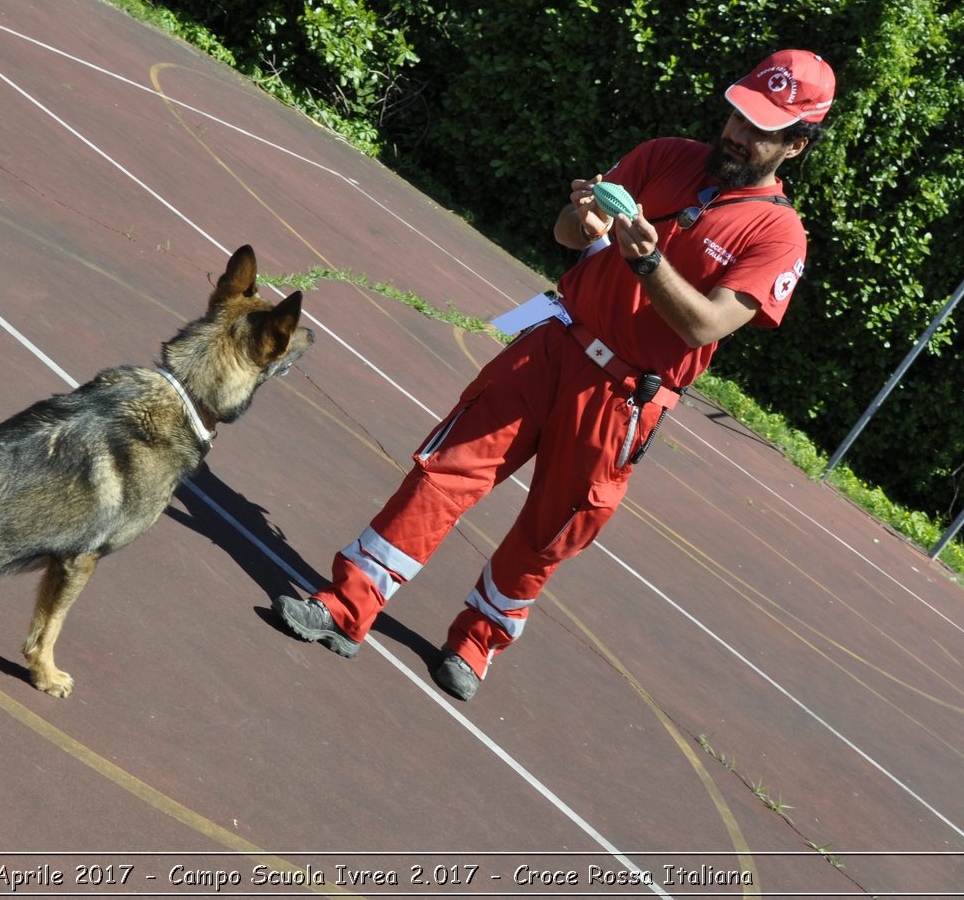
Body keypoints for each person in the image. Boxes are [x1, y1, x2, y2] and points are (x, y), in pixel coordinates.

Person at [273, 50, 835, 701]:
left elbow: (707, 324)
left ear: (796, 145)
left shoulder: (779, 234)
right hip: (554, 343)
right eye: (738, 114)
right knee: (446, 466)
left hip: (626, 399)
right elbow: (568, 231)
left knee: (552, 528)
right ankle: (347, 602)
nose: (738, 132)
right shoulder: (663, 155)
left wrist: (649, 263)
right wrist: (583, 215)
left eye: (762, 127)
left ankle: (479, 634)